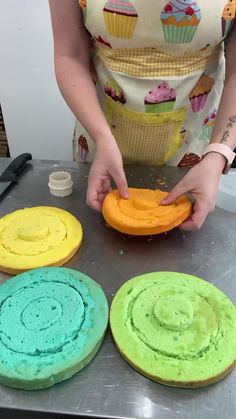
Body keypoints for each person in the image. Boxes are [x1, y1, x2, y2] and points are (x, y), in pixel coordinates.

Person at [49, 0, 236, 230]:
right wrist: (102, 136)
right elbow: (70, 56)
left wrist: (218, 155)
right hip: (101, 145)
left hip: (198, 155)